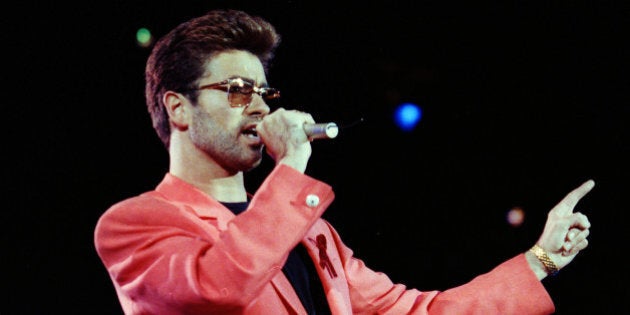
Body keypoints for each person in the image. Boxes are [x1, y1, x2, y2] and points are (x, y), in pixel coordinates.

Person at [94, 9, 595, 315]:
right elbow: (218, 287)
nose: (261, 107)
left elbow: (415, 310)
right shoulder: (133, 224)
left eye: (263, 91)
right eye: (237, 91)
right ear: (178, 107)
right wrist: (290, 164)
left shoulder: (311, 232)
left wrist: (539, 260)